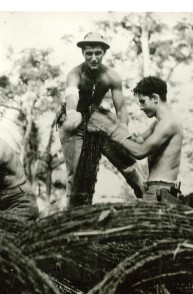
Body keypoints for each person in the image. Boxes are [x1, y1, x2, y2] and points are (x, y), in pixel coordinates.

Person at [58, 32, 145, 206]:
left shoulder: (111, 76)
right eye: (89, 53)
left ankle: (149, 193)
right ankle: (73, 213)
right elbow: (72, 97)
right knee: (77, 174)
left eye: (98, 53)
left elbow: (121, 109)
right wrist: (72, 113)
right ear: (83, 53)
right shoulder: (74, 74)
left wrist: (123, 132)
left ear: (104, 53)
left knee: (125, 157)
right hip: (74, 123)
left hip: (96, 120)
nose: (93, 58)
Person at [87, 76, 190, 205]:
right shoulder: (158, 123)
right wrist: (113, 123)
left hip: (161, 190)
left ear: (155, 98)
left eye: (143, 101)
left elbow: (140, 152)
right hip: (156, 189)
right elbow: (138, 141)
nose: (141, 107)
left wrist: (112, 131)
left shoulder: (169, 124)